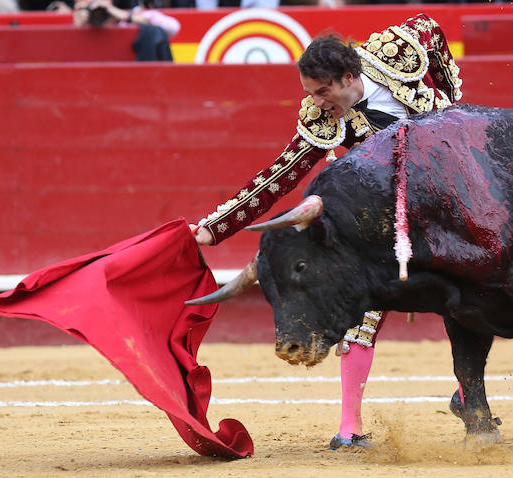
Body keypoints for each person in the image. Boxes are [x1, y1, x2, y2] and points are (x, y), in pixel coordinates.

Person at [191, 14, 464, 450]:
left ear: (349, 77)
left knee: (461, 294)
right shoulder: (321, 119)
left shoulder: (399, 53)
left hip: (441, 200)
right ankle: (349, 427)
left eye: (323, 92)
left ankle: (470, 398)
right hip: (381, 218)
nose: (317, 103)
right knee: (362, 312)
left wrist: (452, 108)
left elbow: (431, 26)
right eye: (310, 94)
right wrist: (212, 229)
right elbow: (277, 177)